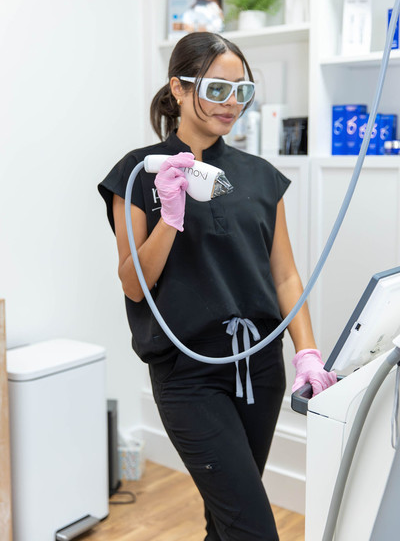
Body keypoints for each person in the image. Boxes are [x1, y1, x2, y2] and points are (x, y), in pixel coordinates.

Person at [98, 32, 336, 541]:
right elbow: (134, 285)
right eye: (216, 90)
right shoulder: (139, 173)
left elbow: (285, 274)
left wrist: (307, 352)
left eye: (241, 91)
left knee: (225, 522)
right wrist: (171, 216)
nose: (232, 105)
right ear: (179, 89)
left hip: (260, 371)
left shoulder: (261, 177)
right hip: (190, 377)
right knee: (253, 529)